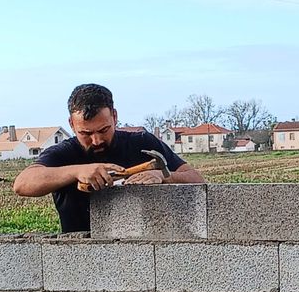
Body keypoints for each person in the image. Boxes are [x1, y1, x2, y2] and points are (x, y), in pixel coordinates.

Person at [12, 83, 205, 232]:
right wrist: (77, 171)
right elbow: (22, 184)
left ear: (114, 116)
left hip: (144, 251)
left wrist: (164, 176)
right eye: (85, 133)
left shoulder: (142, 142)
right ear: (71, 124)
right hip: (81, 257)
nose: (96, 140)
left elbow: (196, 179)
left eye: (104, 130)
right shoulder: (63, 154)